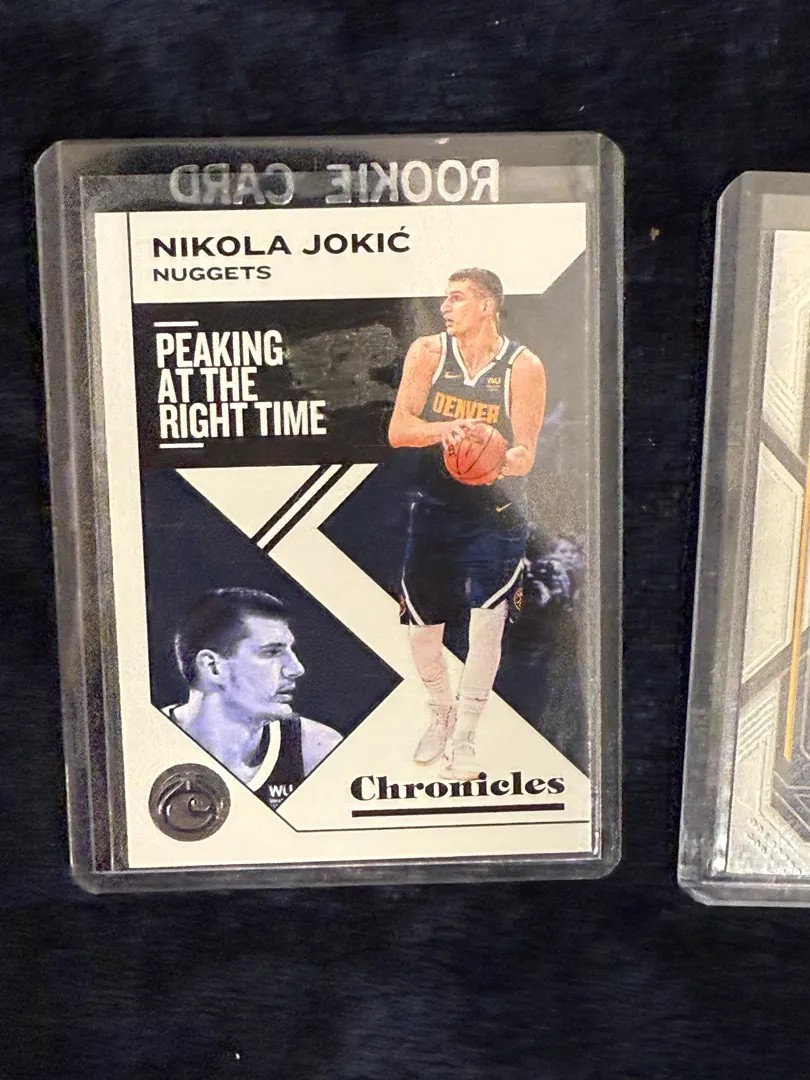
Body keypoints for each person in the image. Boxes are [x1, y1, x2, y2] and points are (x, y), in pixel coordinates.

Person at [388, 268, 546, 781]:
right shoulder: (428, 353)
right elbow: (399, 430)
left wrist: (497, 458)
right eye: (444, 298)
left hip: (493, 518)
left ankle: (466, 738)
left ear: (486, 305)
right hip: (434, 511)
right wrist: (448, 430)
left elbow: (525, 452)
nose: (444, 307)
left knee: (486, 626)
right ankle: (441, 712)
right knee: (422, 635)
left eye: (456, 298)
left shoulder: (523, 366)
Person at [163, 587, 342, 809]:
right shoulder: (145, 741)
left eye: (290, 651)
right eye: (272, 652)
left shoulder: (318, 749)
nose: (296, 669)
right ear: (213, 667)